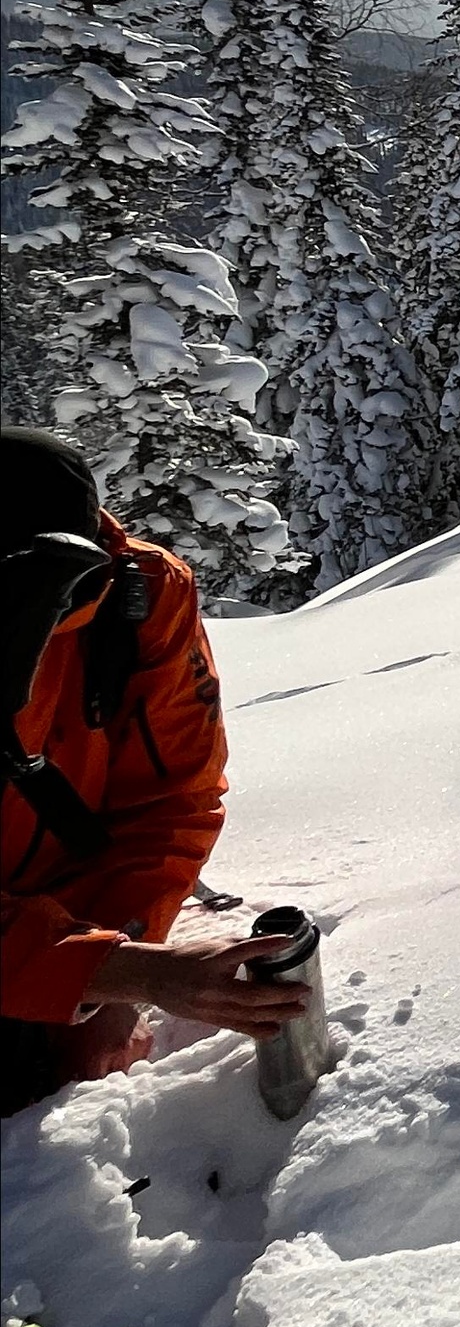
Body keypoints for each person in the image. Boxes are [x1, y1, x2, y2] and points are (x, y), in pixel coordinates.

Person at [1, 428, 310, 1117]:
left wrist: (115, 958)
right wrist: (117, 970)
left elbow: (173, 799)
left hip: (60, 911)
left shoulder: (142, 600)